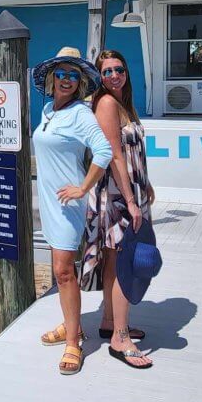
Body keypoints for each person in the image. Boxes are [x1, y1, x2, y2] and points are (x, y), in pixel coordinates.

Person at [32, 47, 112, 376]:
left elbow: (104, 150)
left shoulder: (81, 113)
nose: (66, 80)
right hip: (49, 202)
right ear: (52, 79)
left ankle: (73, 342)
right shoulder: (49, 110)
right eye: (61, 74)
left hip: (68, 204)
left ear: (79, 82)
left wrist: (83, 188)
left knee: (64, 272)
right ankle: (71, 324)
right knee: (59, 270)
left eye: (72, 76)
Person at [81, 49, 155, 369]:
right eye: (107, 71)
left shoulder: (124, 104)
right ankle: (120, 339)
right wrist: (130, 201)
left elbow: (132, 152)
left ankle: (111, 322)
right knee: (128, 262)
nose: (113, 76)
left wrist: (145, 185)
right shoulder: (108, 103)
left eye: (118, 69)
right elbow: (114, 156)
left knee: (115, 260)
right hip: (116, 197)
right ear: (99, 76)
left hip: (128, 191)